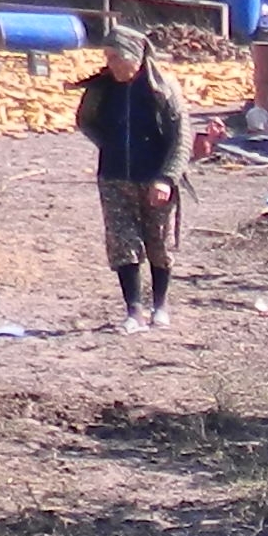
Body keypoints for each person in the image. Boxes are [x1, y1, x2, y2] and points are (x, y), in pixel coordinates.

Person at [71, 28, 187, 332]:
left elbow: (181, 139)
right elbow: (85, 120)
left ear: (135, 57)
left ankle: (159, 305)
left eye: (116, 57)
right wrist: (109, 145)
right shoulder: (102, 88)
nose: (111, 64)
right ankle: (134, 310)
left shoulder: (162, 89)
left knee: (159, 243)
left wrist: (167, 177)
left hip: (155, 178)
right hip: (113, 177)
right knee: (123, 242)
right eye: (107, 57)